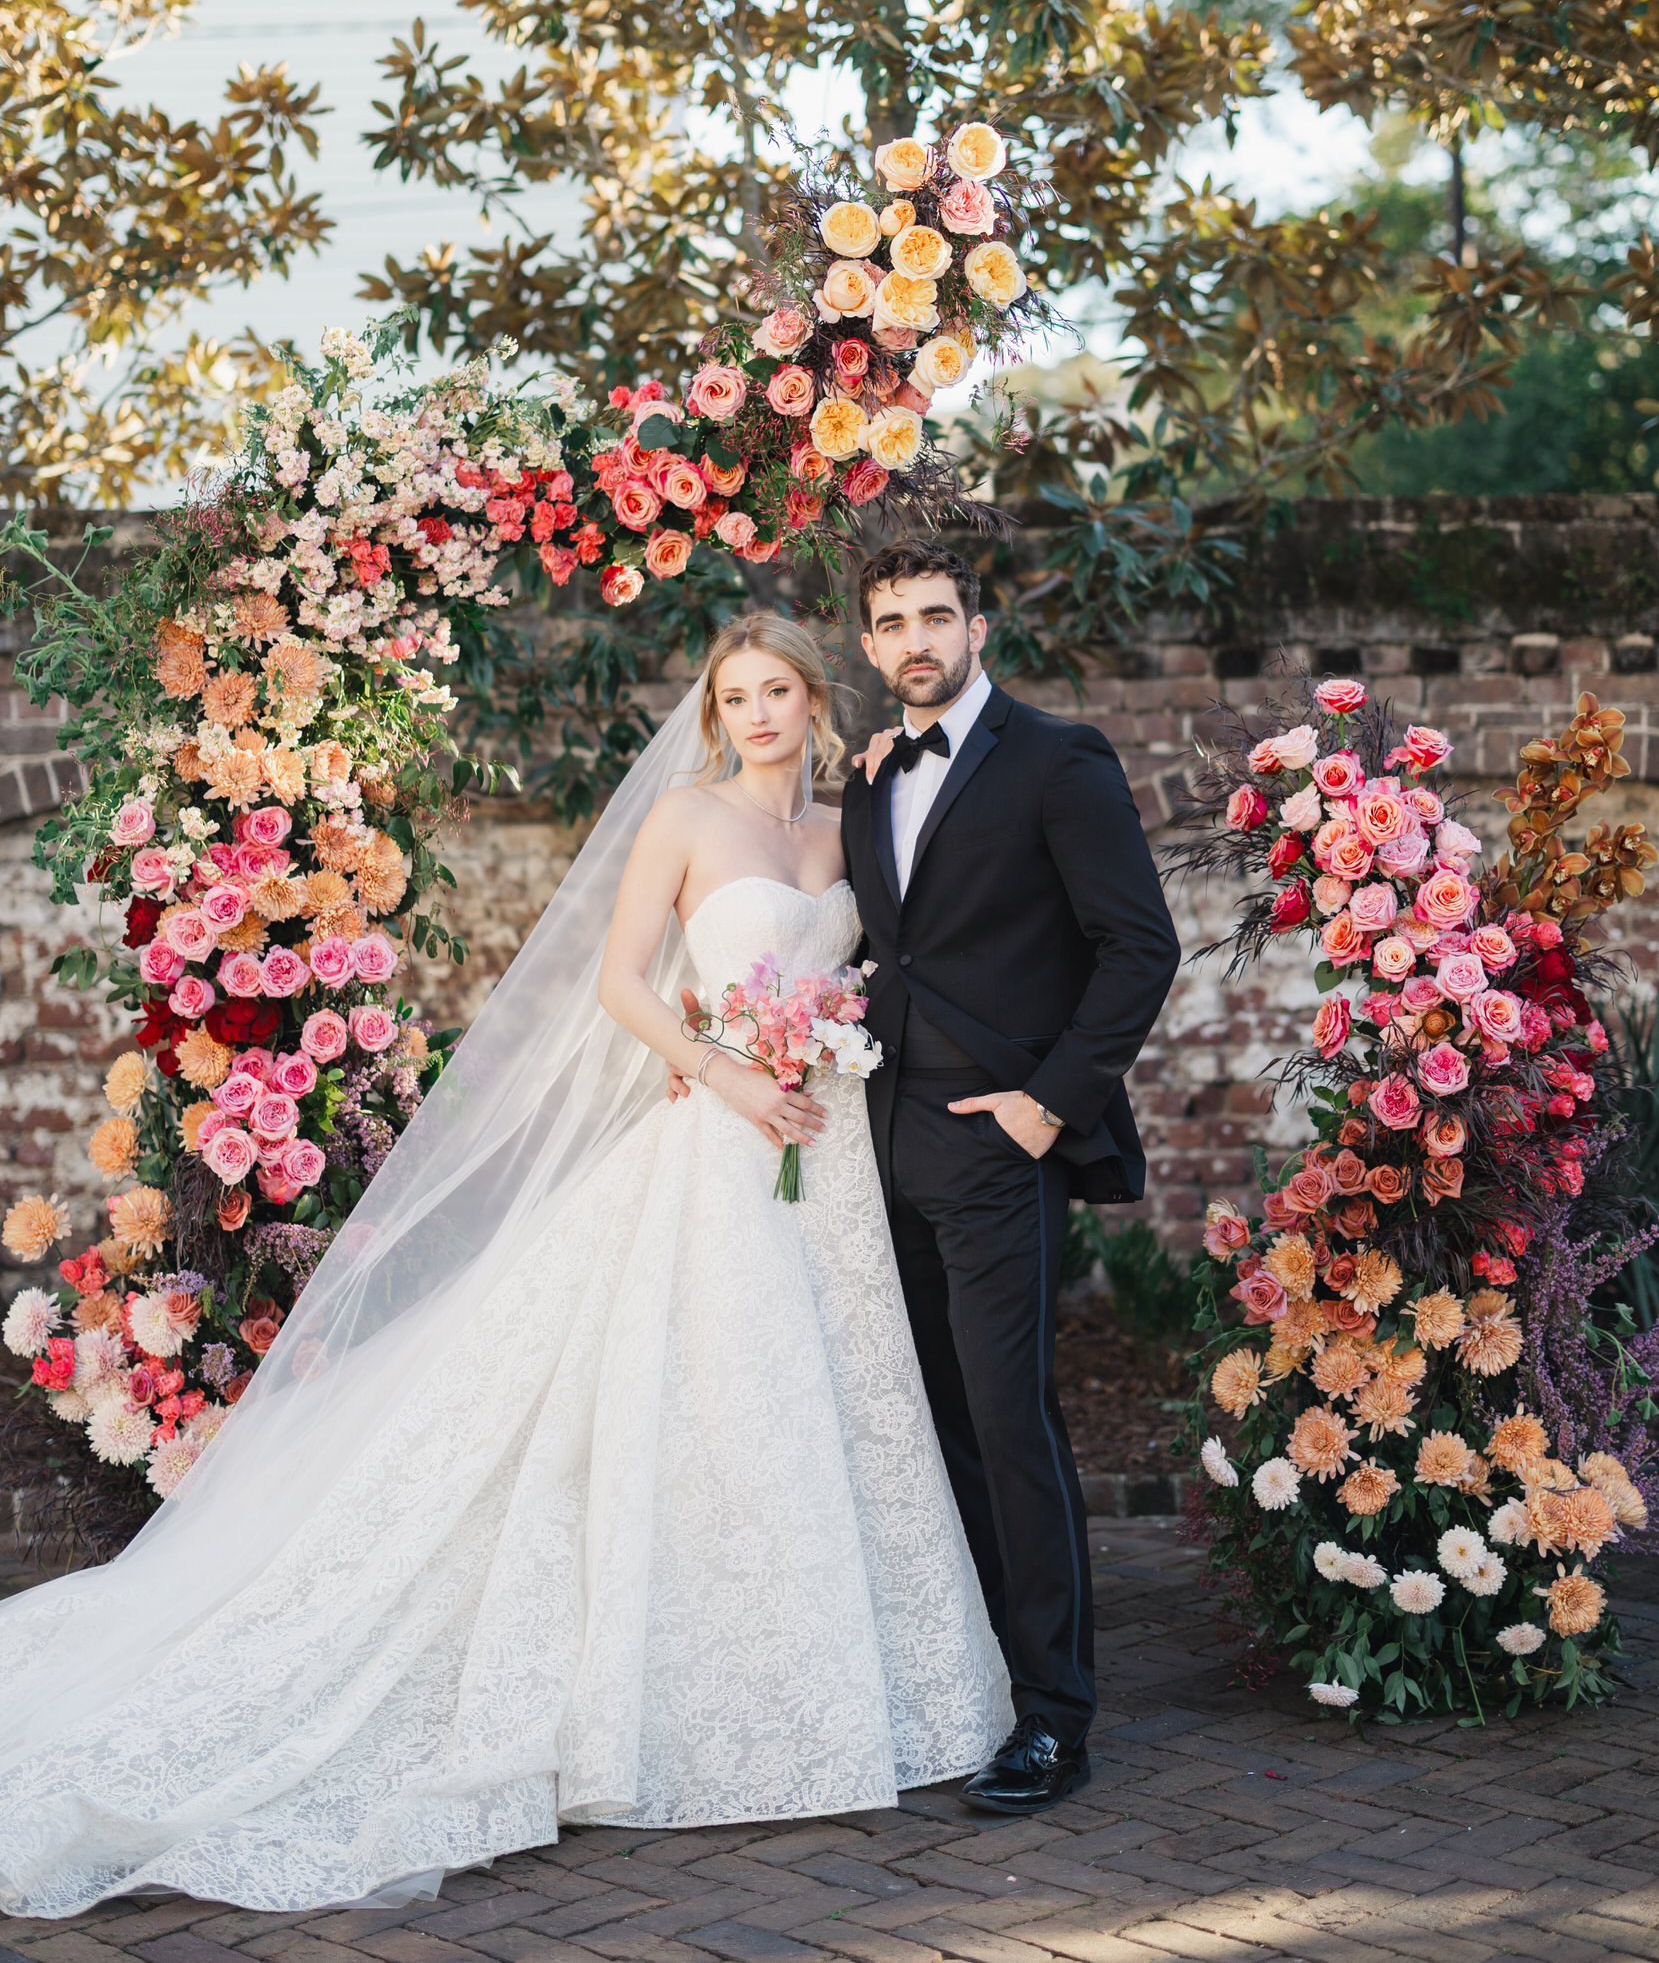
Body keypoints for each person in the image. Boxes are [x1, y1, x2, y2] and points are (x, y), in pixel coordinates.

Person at [0, 613, 1010, 1921]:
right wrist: (716, 1065)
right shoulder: (689, 821)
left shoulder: (844, 832)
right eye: (735, 694)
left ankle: (831, 1691)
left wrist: (817, 1038)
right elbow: (618, 984)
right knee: (716, 1385)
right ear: (715, 714)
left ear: (815, 704)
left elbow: (882, 969)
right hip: (718, 1136)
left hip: (828, 1156)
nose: (757, 712)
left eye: (776, 691)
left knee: (835, 1398)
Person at [840, 540, 1180, 1815]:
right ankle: (972, 1680)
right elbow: (888, 953)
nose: (916, 637)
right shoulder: (865, 779)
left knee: (1010, 1426)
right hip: (878, 1155)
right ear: (870, 648)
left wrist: (1047, 1103)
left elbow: (1137, 946)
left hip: (997, 1149)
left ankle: (1053, 1717)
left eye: (937, 614)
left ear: (975, 626)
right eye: (891, 622)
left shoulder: (1057, 758)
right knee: (931, 1436)